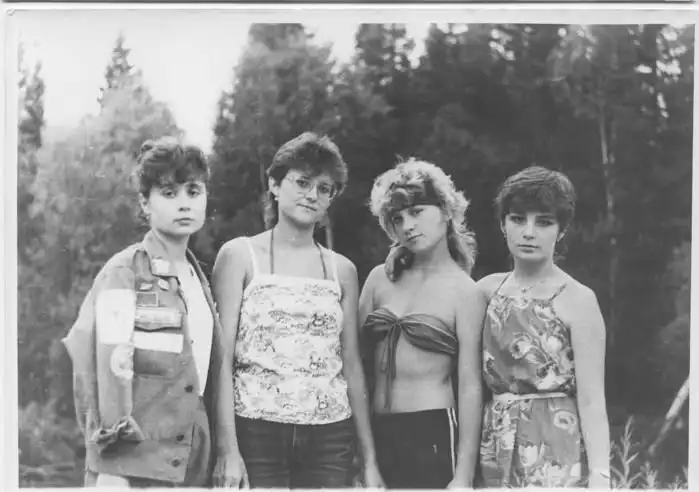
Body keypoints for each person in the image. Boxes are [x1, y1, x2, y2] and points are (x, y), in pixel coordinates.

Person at [62, 137, 242, 487]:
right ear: (145, 203)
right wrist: (112, 467)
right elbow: (101, 367)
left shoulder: (198, 278)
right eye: (169, 193)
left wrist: (225, 451)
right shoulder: (124, 271)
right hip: (133, 464)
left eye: (193, 191)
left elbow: (212, 370)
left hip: (191, 460)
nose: (184, 203)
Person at [211, 132, 382, 488]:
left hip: (329, 437)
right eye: (302, 182)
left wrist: (369, 461)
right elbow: (221, 359)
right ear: (274, 185)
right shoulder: (240, 255)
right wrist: (227, 450)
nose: (312, 195)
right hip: (256, 431)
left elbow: (351, 364)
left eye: (324, 188)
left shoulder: (342, 270)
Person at [477, 166, 611, 488]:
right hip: (495, 440)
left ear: (561, 231)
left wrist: (600, 474)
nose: (529, 232)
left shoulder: (578, 299)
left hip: (556, 444)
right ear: (503, 225)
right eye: (518, 219)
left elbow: (592, 400)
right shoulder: (484, 292)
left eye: (544, 222)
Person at [359, 158, 486, 489]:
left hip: (433, 434)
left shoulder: (465, 292)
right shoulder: (379, 280)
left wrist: (463, 476)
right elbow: (356, 368)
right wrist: (365, 456)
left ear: (445, 210)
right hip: (377, 433)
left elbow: (470, 387)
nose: (407, 226)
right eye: (397, 218)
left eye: (417, 212)